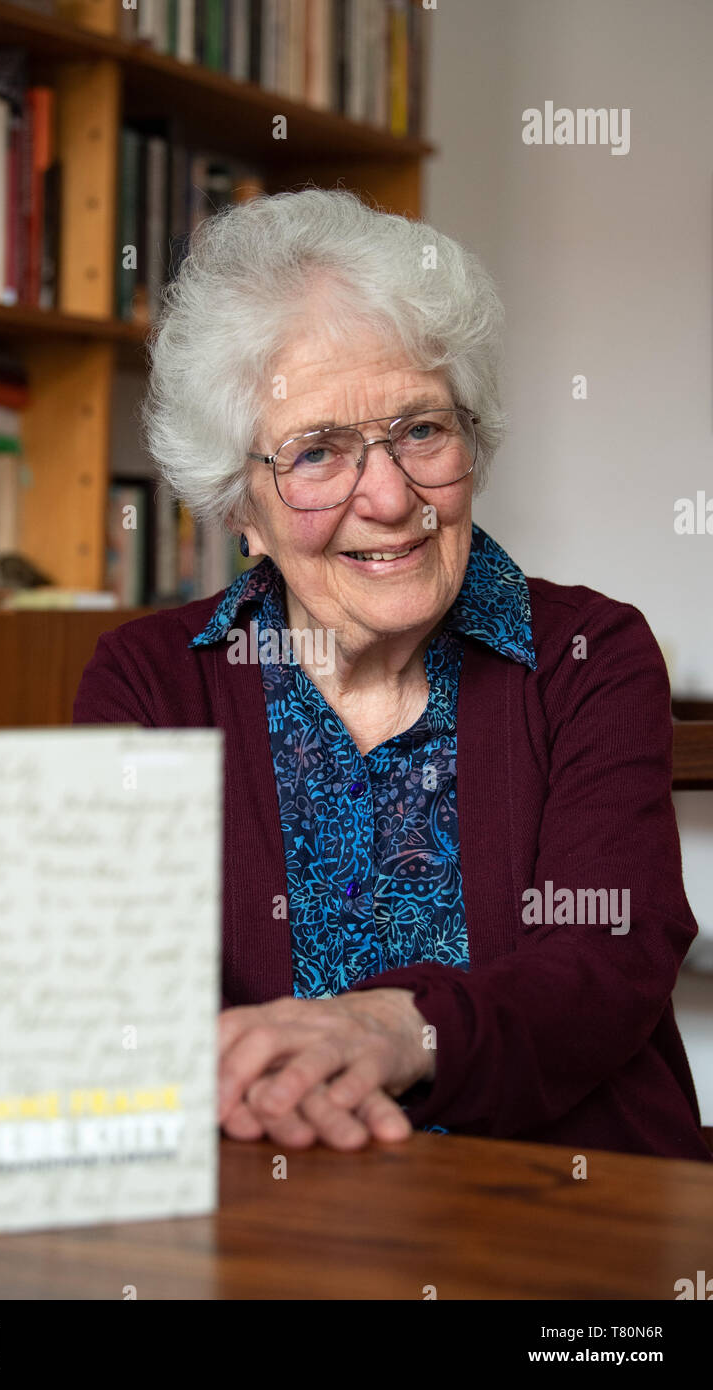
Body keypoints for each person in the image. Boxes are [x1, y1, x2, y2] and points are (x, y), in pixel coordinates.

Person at [74, 188, 711, 1162]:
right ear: (239, 502)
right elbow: (114, 988)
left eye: (420, 430)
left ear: (474, 439)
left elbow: (606, 959)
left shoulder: (589, 652)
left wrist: (396, 1030)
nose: (389, 496)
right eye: (318, 451)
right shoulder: (154, 683)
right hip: (266, 1211)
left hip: (568, 1207)